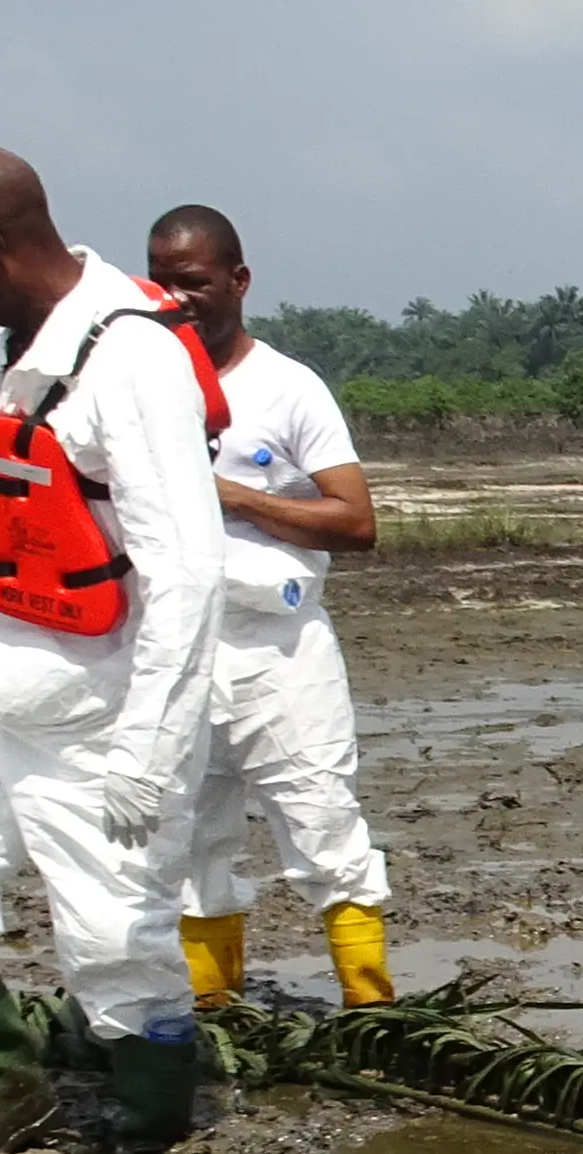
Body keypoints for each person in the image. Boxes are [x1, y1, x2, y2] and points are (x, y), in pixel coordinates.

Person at [0, 145, 228, 1154]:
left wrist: (151, 746)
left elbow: (188, 571)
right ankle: (2, 1079)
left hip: (100, 693)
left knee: (116, 938)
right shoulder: (21, 343)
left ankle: (155, 1133)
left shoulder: (132, 358)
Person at [139, 205, 393, 1013]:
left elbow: (355, 522)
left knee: (323, 826)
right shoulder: (139, 388)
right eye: (162, 285)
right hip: (176, 651)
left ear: (238, 282)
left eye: (196, 284)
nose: (178, 301)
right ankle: (213, 1009)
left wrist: (231, 498)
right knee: (186, 844)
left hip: (279, 654)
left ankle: (372, 1010)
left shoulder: (287, 388)